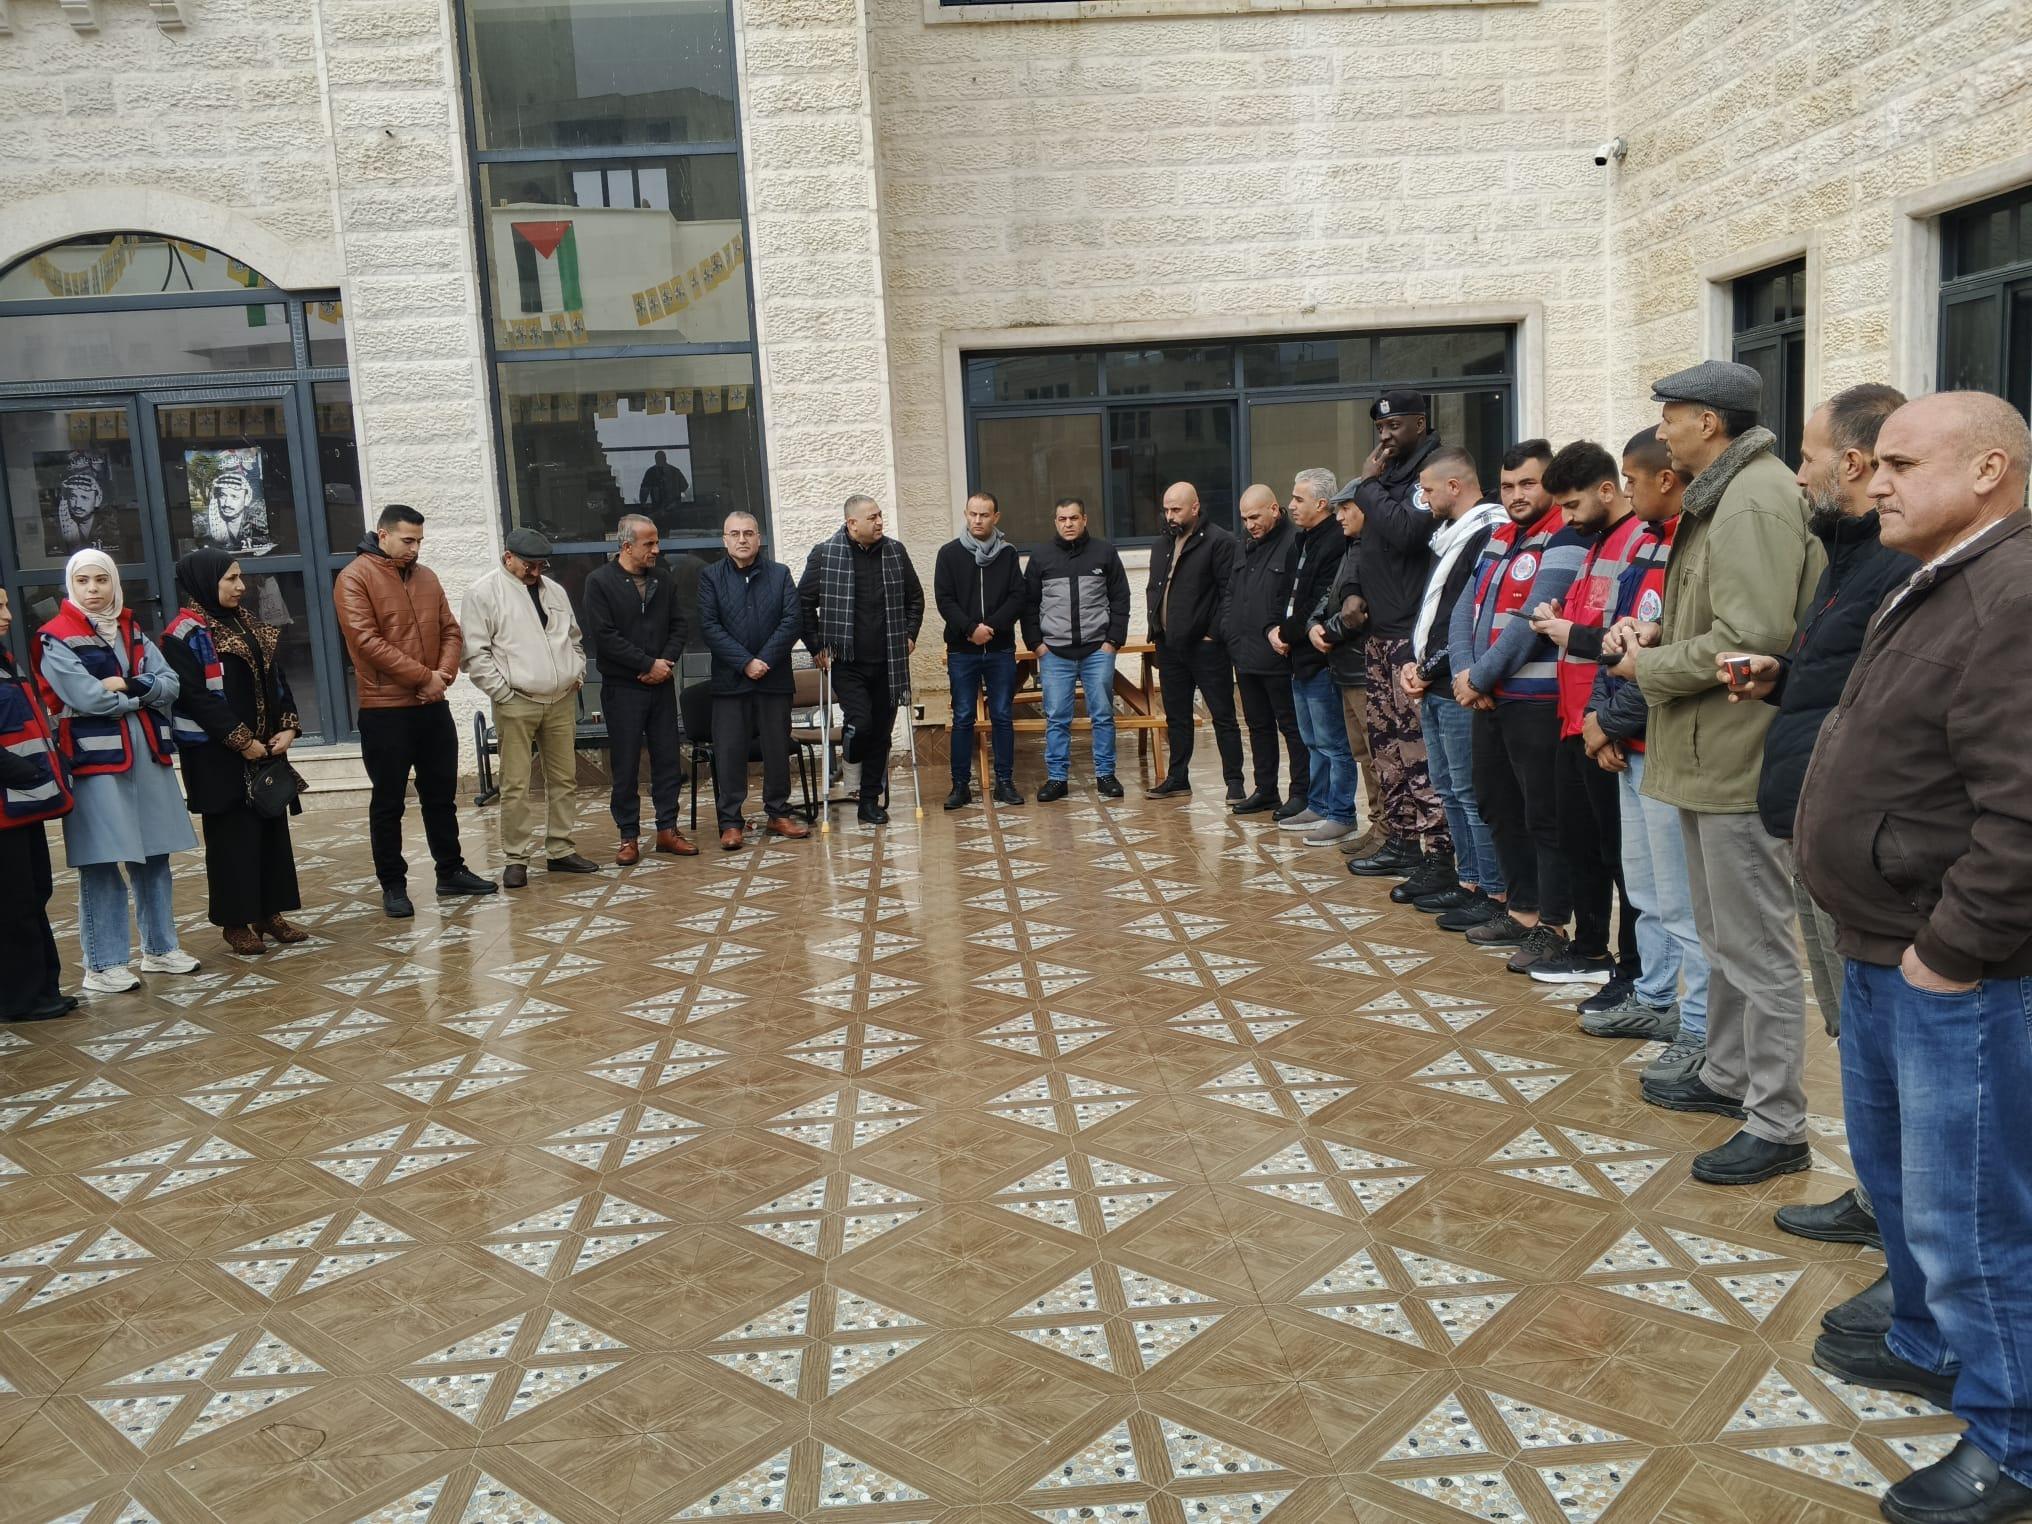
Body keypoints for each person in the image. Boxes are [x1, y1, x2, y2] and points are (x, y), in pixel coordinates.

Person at [1794, 391, 2032, 1524]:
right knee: (1899, 1182)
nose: (1874, 481)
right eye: (1873, 464)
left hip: (1954, 969)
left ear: (1989, 471)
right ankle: (1932, 1342)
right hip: (1885, 946)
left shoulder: (2014, 593)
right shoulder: (1940, 573)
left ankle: (2014, 1440)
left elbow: (2021, 811)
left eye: (1899, 464)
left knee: (1968, 1210)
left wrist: (1953, 948)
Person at [1606, 359, 1824, 1186]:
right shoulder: (1725, 493)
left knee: (1757, 948)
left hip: (1738, 757)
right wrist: (1659, 637)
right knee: (1724, 937)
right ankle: (1728, 1074)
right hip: (1706, 752)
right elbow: (1717, 621)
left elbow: (1753, 638)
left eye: (1670, 415)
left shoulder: (1754, 498)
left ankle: (1777, 1122)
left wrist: (1648, 669)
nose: (1661, 430)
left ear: (1709, 421)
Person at [1719, 386, 1911, 1279]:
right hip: (1815, 816)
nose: (1798, 475)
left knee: (1879, 1031)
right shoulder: (1848, 554)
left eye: (1807, 457)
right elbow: (1838, 675)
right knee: (1853, 1022)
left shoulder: (1897, 566)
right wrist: (1782, 674)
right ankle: (1878, 1196)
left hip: (1860, 835)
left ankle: (1895, 1219)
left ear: (1854, 463)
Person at [1574, 432, 1709, 1065]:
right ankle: (1654, 997)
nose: (1627, 491)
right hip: (1627, 742)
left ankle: (1699, 1025)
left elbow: (1670, 658)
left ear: (1666, 480)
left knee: (1682, 902)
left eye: (1633, 479)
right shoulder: (1645, 545)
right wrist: (1601, 720)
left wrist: (1608, 721)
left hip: (1663, 744)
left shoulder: (1689, 545)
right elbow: (1615, 643)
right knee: (1645, 890)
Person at [33, 550, 201, 993]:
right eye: (83, 581)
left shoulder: (132, 628)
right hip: (95, 762)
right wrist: (142, 693)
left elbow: (172, 684)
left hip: (147, 756)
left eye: (102, 580)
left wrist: (126, 684)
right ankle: (103, 964)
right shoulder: (55, 636)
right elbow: (88, 698)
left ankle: (160, 949)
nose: (93, 589)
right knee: (101, 861)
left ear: (114, 583)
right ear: (71, 585)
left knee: (155, 856)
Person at [1450, 439, 1584, 972]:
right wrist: (1466, 674)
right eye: (1507, 486)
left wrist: (1479, 675)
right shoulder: (1499, 536)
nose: (1516, 495)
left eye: (1528, 483)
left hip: (1536, 701)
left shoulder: (1565, 536)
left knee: (1543, 815)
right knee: (1496, 804)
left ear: (1549, 483)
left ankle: (1553, 924)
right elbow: (1464, 608)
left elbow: (1534, 617)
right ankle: (1521, 909)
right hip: (1488, 699)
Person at [333, 503, 497, 918]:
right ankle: (393, 885)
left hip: (431, 705)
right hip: (385, 709)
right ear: (383, 535)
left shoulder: (427, 577)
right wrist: (424, 677)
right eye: (408, 540)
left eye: (420, 541)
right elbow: (366, 642)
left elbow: (450, 630)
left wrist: (443, 674)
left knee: (440, 796)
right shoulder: (354, 578)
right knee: (389, 802)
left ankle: (450, 871)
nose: (415, 549)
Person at [1526, 440, 1646, 988]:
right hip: (1572, 719)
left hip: (1605, 725)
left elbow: (1630, 643)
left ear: (1607, 489)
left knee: (1622, 858)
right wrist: (1560, 617)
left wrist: (1570, 633)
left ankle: (1635, 970)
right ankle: (1589, 948)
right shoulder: (1593, 543)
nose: (1566, 518)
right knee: (1581, 845)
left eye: (1572, 505)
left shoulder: (1638, 541)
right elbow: (1592, 621)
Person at [160, 549, 309, 956]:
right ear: (206, 581)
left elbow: (276, 677)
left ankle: (269, 913)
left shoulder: (249, 623)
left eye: (240, 577)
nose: (240, 586)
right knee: (231, 841)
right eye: (230, 578)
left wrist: (288, 727)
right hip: (218, 757)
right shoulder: (182, 634)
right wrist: (242, 740)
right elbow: (193, 697)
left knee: (271, 834)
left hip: (266, 750)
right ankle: (236, 922)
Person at [1338, 390, 1450, 881]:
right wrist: (1353, 589)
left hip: (1413, 636)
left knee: (1418, 751)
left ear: (1420, 424)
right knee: (1387, 748)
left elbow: (1405, 531)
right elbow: (1368, 543)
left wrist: (1367, 484)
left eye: (1394, 426)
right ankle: (1402, 841)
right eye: (1380, 428)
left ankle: (1439, 854)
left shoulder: (1433, 473)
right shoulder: (1388, 477)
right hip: (1379, 633)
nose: (1384, 437)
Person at [1396, 447, 1507, 927]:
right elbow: (1435, 609)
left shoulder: (1488, 531)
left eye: (1427, 489)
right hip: (1434, 682)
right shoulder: (1450, 534)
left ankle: (1494, 889)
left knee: (1471, 791)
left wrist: (1429, 668)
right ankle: (1469, 881)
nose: (1423, 499)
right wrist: (1415, 662)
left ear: (1455, 486)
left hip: (1459, 682)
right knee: (1448, 788)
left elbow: (1470, 613)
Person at [462, 527, 598, 887]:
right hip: (516, 701)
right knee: (515, 783)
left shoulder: (555, 591)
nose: (536, 572)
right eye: (529, 565)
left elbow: (574, 638)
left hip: (561, 699)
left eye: (541, 565)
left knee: (564, 778)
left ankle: (560, 849)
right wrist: (503, 694)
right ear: (508, 557)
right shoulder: (483, 593)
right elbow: (475, 653)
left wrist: (577, 673)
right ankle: (516, 857)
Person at [800, 495, 924, 826]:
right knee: (861, 723)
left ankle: (868, 801)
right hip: (847, 662)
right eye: (872, 517)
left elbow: (915, 597)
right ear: (852, 523)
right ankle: (851, 765)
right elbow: (804, 604)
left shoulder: (895, 552)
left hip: (888, 662)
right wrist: (816, 647)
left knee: (881, 733)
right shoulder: (825, 555)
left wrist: (910, 634)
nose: (880, 522)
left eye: (880, 515)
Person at [583, 513, 697, 863]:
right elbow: (604, 636)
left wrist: (665, 663)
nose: (656, 550)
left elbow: (680, 625)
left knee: (667, 759)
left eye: (657, 542)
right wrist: (647, 664)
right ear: (626, 545)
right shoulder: (599, 582)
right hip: (623, 687)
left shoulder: (663, 579)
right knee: (626, 763)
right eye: (649, 543)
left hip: (661, 685)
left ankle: (667, 829)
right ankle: (628, 836)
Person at [698, 512, 808, 849]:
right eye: (734, 534)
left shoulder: (780, 574)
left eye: (748, 533)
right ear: (724, 540)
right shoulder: (710, 577)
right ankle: (731, 822)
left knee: (777, 749)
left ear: (759, 538)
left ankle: (778, 813)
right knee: (730, 752)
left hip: (774, 680)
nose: (742, 539)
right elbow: (709, 627)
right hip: (730, 683)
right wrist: (745, 662)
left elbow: (793, 620)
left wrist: (764, 660)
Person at [0, 587, 77, 1023]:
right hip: (6, 807)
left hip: (23, 805)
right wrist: (24, 772)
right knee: (13, 906)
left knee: (35, 894)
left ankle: (44, 988)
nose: (8, 614)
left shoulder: (5, 660)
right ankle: (21, 999)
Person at [1022, 497, 1130, 802]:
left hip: (1097, 651)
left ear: (1084, 520)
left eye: (1073, 518)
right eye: (1062, 519)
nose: (1068, 524)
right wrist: (1036, 645)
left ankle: (1106, 775)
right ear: (1055, 522)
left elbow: (1120, 597)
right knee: (1057, 716)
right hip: (1055, 653)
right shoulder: (1041, 556)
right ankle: (1057, 778)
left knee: (1103, 714)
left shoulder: (1104, 552)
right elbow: (1028, 604)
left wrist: (1112, 641)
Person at [1145, 481, 1243, 801]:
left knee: (1223, 715)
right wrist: (1156, 630)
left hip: (1207, 647)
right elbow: (1156, 588)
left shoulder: (1220, 541)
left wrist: (1213, 633)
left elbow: (1230, 593)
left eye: (1176, 509)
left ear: (1195, 507)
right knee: (1176, 716)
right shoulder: (1162, 544)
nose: (1170, 516)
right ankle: (1177, 778)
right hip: (1169, 645)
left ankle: (1235, 782)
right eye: (1166, 510)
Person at [1306, 487, 1388, 850]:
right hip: (1345, 669)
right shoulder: (1352, 548)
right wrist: (1313, 623)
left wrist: (1327, 632)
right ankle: (1378, 826)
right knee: (1363, 755)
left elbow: (1358, 611)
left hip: (1364, 669)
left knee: (1378, 755)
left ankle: (1389, 833)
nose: (1339, 516)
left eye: (1346, 508)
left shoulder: (1373, 549)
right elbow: (1331, 597)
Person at [934, 490, 1025, 810]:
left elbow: (1018, 596)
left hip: (1000, 649)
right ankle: (960, 785)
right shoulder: (949, 554)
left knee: (1002, 715)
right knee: (963, 717)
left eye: (984, 515)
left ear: (995, 517)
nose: (977, 520)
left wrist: (992, 628)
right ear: (965, 514)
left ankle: (1005, 782)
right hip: (963, 650)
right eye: (973, 514)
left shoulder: (1008, 554)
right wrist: (971, 629)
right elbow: (944, 600)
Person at [1277, 468, 1353, 839]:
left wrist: (1287, 632)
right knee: (1311, 740)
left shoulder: (1336, 541)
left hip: (1321, 657)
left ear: (1321, 503)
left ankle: (1341, 813)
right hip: (1298, 656)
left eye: (1298, 498)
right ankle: (1318, 805)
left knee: (1333, 742)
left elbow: (1322, 600)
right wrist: (1275, 628)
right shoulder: (1301, 541)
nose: (1291, 505)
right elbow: (1288, 594)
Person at [1225, 484, 1308, 819]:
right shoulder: (1245, 545)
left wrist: (1285, 636)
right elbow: (1231, 593)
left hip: (1279, 654)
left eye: (1255, 517)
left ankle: (1301, 793)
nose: (1250, 525)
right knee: (1258, 726)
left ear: (1274, 509)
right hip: (1245, 654)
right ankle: (1265, 790)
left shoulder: (1294, 542)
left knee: (1292, 727)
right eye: (1244, 519)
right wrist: (1229, 632)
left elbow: (1296, 598)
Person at [638, 450, 689, 517]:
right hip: (674, 509)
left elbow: (644, 492)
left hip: (658, 510)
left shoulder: (651, 472)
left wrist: (644, 506)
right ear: (665, 458)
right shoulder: (675, 471)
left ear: (655, 459)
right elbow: (684, 487)